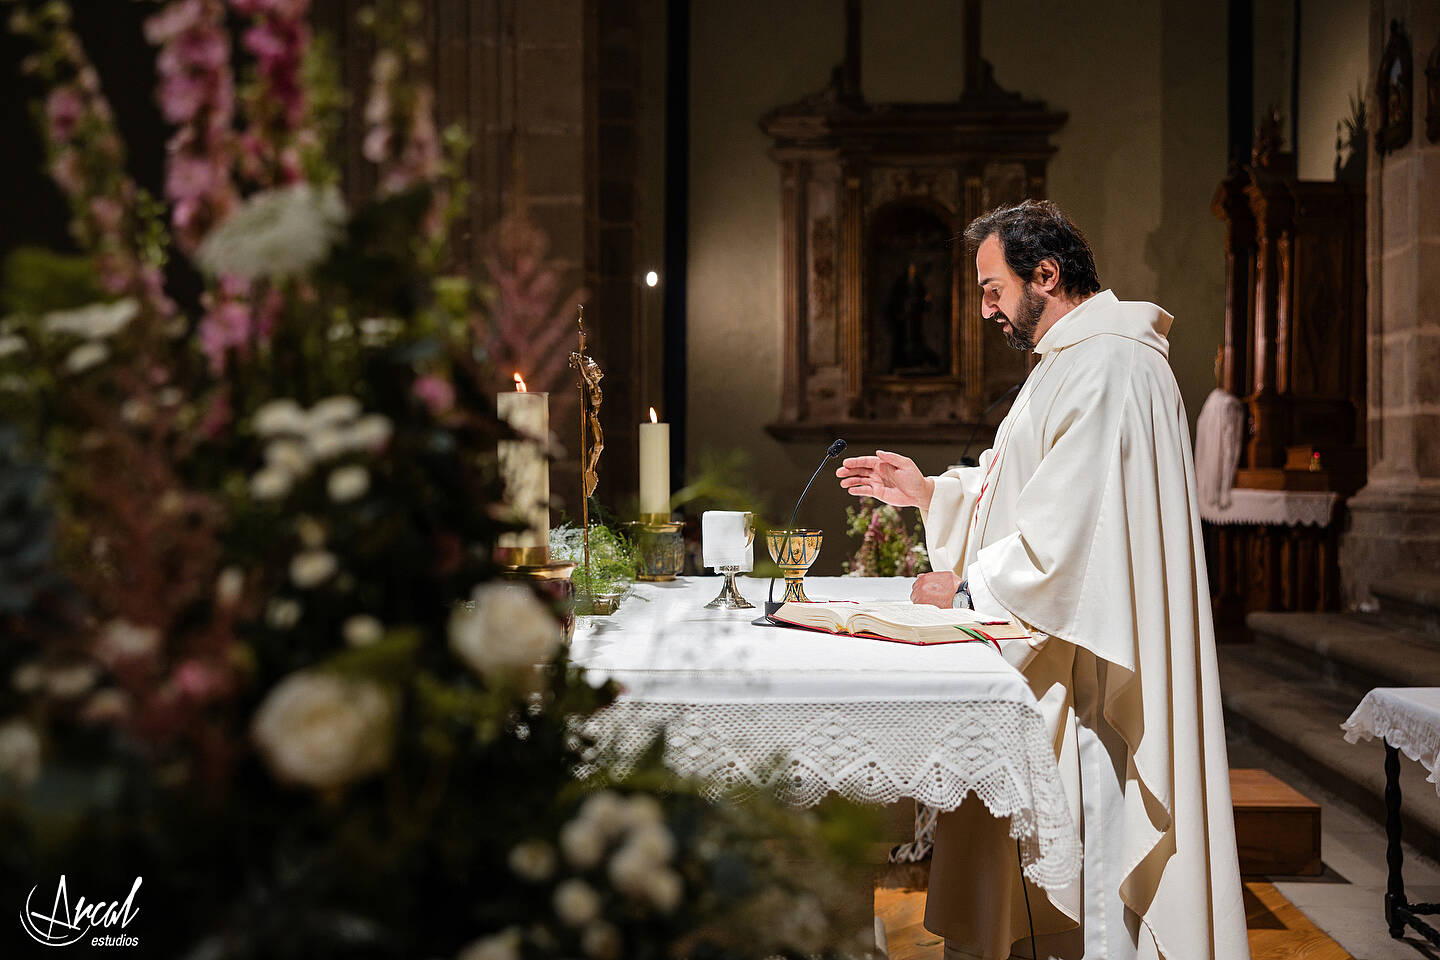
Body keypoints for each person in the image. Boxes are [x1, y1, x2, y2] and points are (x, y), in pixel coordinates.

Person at [836, 200, 1249, 960]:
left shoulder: (1111, 362)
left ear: (1047, 276)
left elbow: (1076, 537)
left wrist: (965, 592)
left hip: (1089, 670)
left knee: (1090, 870)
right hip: (1060, 643)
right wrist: (931, 493)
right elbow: (1031, 489)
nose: (986, 310)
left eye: (994, 290)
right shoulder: (1074, 359)